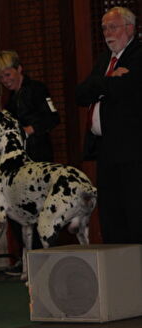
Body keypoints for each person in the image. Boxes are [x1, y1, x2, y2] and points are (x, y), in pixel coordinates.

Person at [77, 6, 142, 245]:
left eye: (112, 27)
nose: (107, 32)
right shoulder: (105, 59)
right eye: (104, 28)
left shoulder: (137, 55)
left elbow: (123, 89)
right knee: (110, 216)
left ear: (130, 28)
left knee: (134, 214)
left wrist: (102, 85)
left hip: (131, 151)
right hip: (105, 150)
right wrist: (108, 80)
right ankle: (118, 272)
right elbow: (80, 94)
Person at [0, 50, 61, 274]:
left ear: (19, 68)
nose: (6, 80)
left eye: (8, 74)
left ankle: (47, 257)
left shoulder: (38, 90)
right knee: (15, 209)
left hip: (40, 158)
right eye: (1, 78)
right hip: (20, 165)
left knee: (43, 210)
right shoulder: (10, 101)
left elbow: (53, 118)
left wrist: (29, 131)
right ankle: (26, 259)